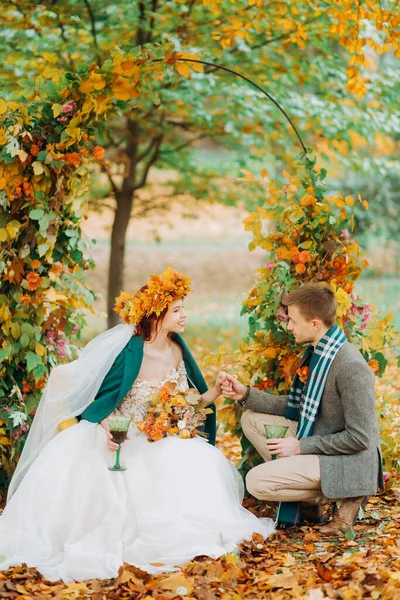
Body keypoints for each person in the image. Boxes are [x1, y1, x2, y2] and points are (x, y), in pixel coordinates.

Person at [0, 268, 274, 582]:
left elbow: (184, 404)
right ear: (157, 315)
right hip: (123, 435)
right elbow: (96, 396)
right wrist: (105, 426)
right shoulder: (127, 352)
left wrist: (214, 391)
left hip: (163, 436)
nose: (185, 314)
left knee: (187, 461)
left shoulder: (177, 349)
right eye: (177, 309)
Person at [220, 283, 383, 536]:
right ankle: (307, 505)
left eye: (293, 321)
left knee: (256, 481)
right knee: (252, 419)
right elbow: (297, 406)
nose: (289, 326)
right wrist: (245, 394)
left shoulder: (350, 366)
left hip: (348, 461)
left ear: (315, 324)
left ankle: (345, 497)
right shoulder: (318, 353)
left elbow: (360, 438)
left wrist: (299, 448)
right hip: (321, 436)